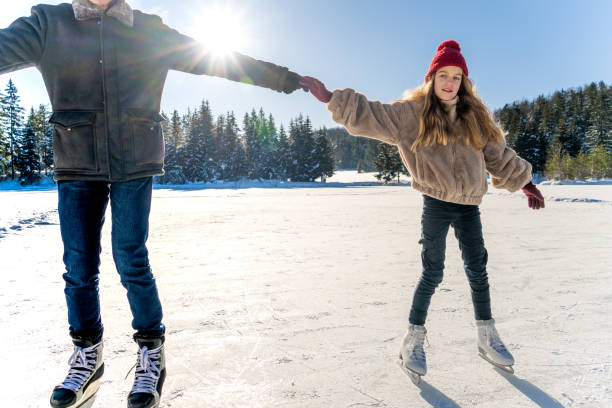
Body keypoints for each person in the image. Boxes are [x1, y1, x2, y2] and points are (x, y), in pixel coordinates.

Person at [0, 0, 304, 407]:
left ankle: (150, 352)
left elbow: (216, 59)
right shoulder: (48, 23)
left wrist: (283, 78)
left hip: (134, 159)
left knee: (130, 257)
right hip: (77, 161)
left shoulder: (148, 30)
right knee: (78, 264)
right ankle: (88, 354)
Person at [300, 40, 545, 381]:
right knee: (433, 272)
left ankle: (486, 335)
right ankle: (412, 339)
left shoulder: (475, 117)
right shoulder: (412, 114)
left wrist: (525, 183)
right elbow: (374, 115)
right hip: (436, 203)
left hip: (469, 205)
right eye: (443, 75)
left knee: (478, 269)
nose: (449, 82)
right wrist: (331, 98)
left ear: (464, 82)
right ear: (431, 78)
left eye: (456, 77)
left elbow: (498, 155)